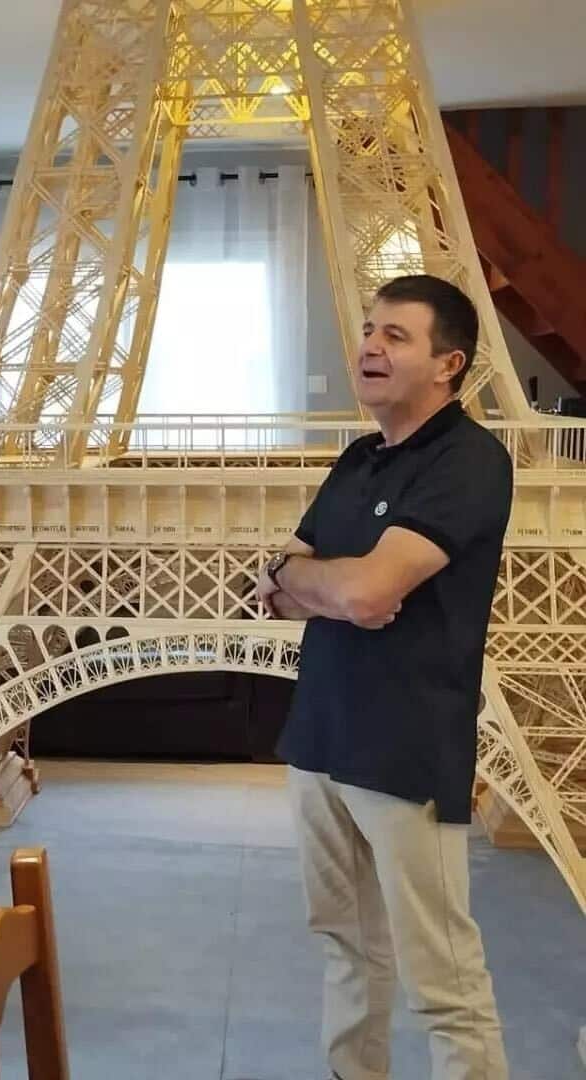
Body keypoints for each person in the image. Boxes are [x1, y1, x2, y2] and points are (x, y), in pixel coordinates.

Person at [258, 274, 512, 1080]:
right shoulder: (359, 458)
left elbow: (364, 591)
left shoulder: (470, 460)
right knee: (345, 948)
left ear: (448, 364)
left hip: (406, 752)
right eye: (369, 329)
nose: (369, 345)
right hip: (318, 740)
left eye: (395, 335)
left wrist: (330, 585)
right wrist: (317, 583)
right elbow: (274, 589)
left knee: (443, 980)